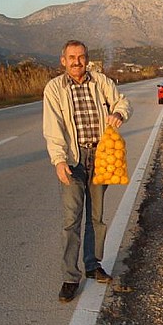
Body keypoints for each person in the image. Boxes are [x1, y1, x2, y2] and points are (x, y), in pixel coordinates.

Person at [43, 40, 132, 302]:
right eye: (71, 57)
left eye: (81, 57)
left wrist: (119, 114)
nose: (76, 62)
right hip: (73, 159)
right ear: (63, 60)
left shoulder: (100, 82)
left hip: (101, 157)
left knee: (97, 217)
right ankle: (70, 277)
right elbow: (53, 128)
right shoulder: (54, 88)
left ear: (87, 59)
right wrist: (59, 160)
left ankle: (93, 265)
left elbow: (123, 102)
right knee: (71, 220)